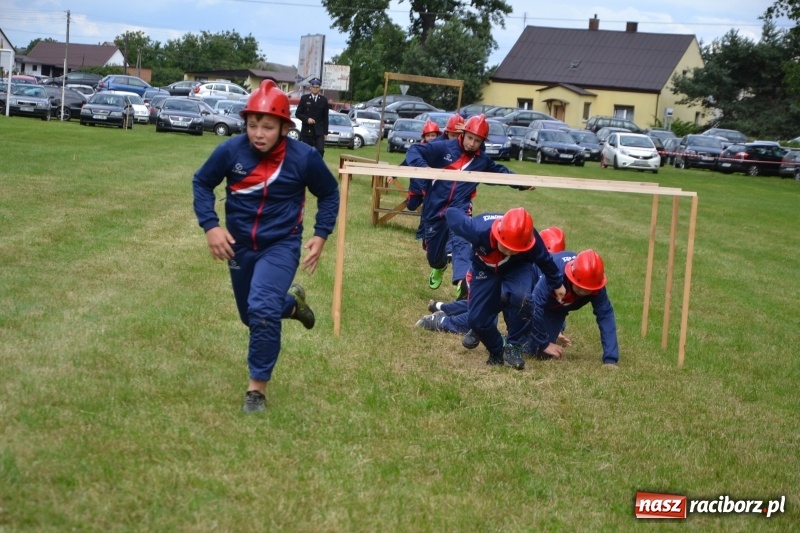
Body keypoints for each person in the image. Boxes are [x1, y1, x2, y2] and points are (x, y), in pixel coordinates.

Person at [192, 80, 340, 412]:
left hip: (281, 245)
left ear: (285, 127)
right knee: (251, 316)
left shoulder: (304, 158)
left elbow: (329, 193)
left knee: (260, 309)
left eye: (268, 126)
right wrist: (211, 226)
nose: (259, 133)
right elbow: (202, 182)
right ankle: (291, 304)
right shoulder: (230, 151)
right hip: (239, 246)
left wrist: (321, 234)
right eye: (253, 125)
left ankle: (256, 390)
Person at [404, 114, 528, 299]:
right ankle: (439, 266)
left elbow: (499, 173)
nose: (472, 144)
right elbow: (414, 151)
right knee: (434, 257)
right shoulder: (443, 148)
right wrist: (424, 168)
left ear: (482, 142)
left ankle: (463, 282)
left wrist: (520, 182)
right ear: (463, 134)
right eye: (470, 138)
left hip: (460, 207)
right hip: (434, 209)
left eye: (477, 141)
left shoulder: (482, 161)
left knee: (462, 241)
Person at [446, 207, 565, 370]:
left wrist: (557, 283)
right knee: (477, 320)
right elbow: (452, 213)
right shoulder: (477, 230)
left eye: (514, 249)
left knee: (522, 297)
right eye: (505, 246)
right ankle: (497, 350)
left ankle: (513, 346)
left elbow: (545, 259)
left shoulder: (531, 239)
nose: (509, 251)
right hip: (484, 269)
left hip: (518, 267)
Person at [417, 226, 567, 349]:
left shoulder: (549, 272)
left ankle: (441, 306)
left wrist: (557, 330)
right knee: (483, 319)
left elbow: (552, 303)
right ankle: (440, 321)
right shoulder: (521, 264)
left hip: (502, 292)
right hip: (481, 280)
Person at [528, 249, 620, 367]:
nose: (583, 291)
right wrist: (544, 344)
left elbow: (605, 316)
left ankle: (558, 329)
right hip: (533, 284)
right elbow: (534, 304)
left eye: (588, 289)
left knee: (540, 353)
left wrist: (610, 359)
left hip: (557, 307)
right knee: (531, 341)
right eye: (580, 286)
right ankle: (509, 340)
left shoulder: (596, 285)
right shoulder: (555, 273)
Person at [295, 77, 329, 156]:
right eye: (314, 87)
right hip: (307, 130)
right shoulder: (304, 98)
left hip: (319, 130)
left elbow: (325, 117)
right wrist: (307, 119)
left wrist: (325, 132)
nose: (315, 89)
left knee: (320, 150)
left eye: (317, 87)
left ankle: (318, 166)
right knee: (307, 151)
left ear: (319, 88)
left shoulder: (323, 100)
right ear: (310, 88)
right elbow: (298, 113)